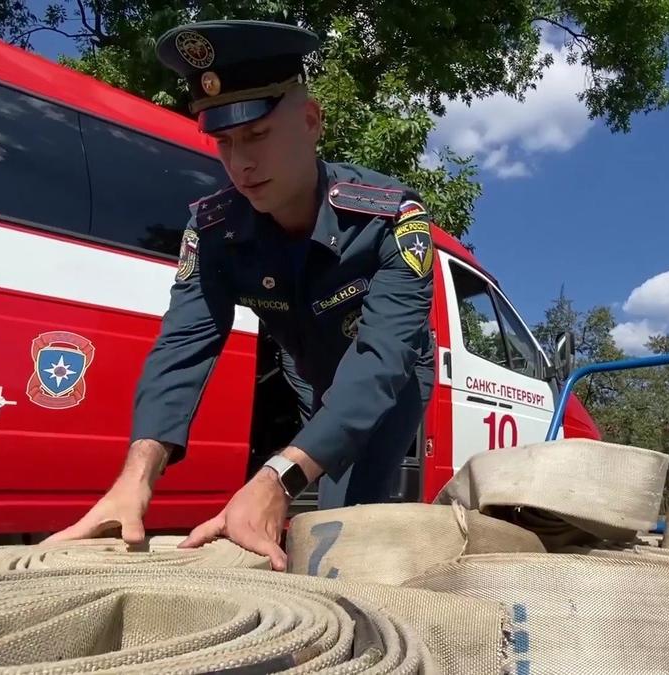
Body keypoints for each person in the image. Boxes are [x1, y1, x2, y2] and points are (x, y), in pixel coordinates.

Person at [44, 20, 436, 572]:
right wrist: (135, 479)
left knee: (353, 505)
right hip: (310, 370)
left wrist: (278, 475)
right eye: (224, 142)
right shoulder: (213, 231)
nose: (240, 163)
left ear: (310, 121)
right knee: (314, 486)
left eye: (256, 136)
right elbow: (183, 345)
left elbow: (380, 359)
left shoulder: (391, 220)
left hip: (394, 375)